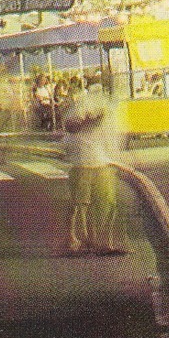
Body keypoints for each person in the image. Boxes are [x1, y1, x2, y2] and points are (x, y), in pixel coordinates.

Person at [61, 80, 125, 256]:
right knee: (79, 203)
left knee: (107, 203)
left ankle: (104, 242)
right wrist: (89, 119)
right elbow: (70, 126)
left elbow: (112, 134)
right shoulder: (82, 106)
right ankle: (75, 239)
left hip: (102, 161)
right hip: (82, 161)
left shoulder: (109, 109)